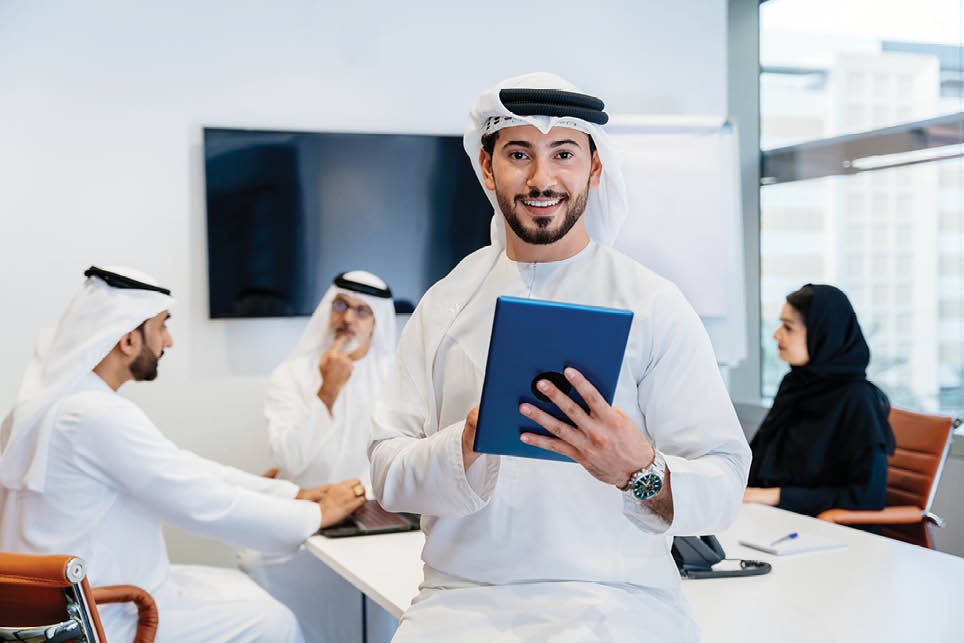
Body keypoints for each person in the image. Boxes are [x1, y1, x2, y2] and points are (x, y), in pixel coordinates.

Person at [367, 72, 751, 642]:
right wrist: (466, 443)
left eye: (563, 154)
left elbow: (722, 485)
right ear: (486, 167)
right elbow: (386, 474)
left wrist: (638, 470)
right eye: (518, 153)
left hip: (623, 602)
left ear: (594, 169)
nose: (541, 178)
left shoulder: (653, 304)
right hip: (462, 603)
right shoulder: (444, 305)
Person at [0, 266, 367, 643]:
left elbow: (182, 467)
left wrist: (292, 495)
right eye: (162, 327)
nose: (169, 341)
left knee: (246, 589)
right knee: (274, 622)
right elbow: (199, 500)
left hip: (67, 606)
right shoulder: (92, 415)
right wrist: (315, 514)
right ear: (128, 340)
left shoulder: (59, 405)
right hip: (105, 614)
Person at [240, 270, 396, 643]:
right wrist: (327, 390)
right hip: (308, 517)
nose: (347, 318)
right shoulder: (291, 376)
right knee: (255, 562)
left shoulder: (398, 376)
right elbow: (291, 460)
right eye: (340, 305)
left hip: (378, 520)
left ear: (377, 323)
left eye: (362, 311)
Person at [744, 284, 895, 518]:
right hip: (771, 516)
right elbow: (759, 460)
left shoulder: (858, 399)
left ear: (822, 333)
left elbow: (865, 497)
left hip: (830, 531)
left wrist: (773, 496)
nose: (776, 334)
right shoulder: (794, 384)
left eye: (788, 327)